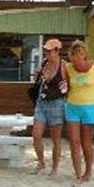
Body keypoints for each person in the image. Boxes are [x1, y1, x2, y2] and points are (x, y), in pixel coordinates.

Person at [64, 40, 94, 183]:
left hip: (90, 107)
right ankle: (77, 173)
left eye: (79, 56)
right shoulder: (68, 67)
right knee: (73, 141)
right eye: (74, 57)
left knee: (86, 142)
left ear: (84, 55)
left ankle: (88, 171)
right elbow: (66, 88)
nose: (76, 61)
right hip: (72, 106)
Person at [31, 38, 68, 176]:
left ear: (57, 51)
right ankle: (41, 162)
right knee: (36, 134)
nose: (47, 53)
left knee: (56, 138)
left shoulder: (64, 66)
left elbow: (69, 85)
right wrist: (37, 75)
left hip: (57, 103)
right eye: (46, 50)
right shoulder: (44, 63)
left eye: (50, 50)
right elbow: (37, 78)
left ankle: (55, 167)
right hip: (42, 101)